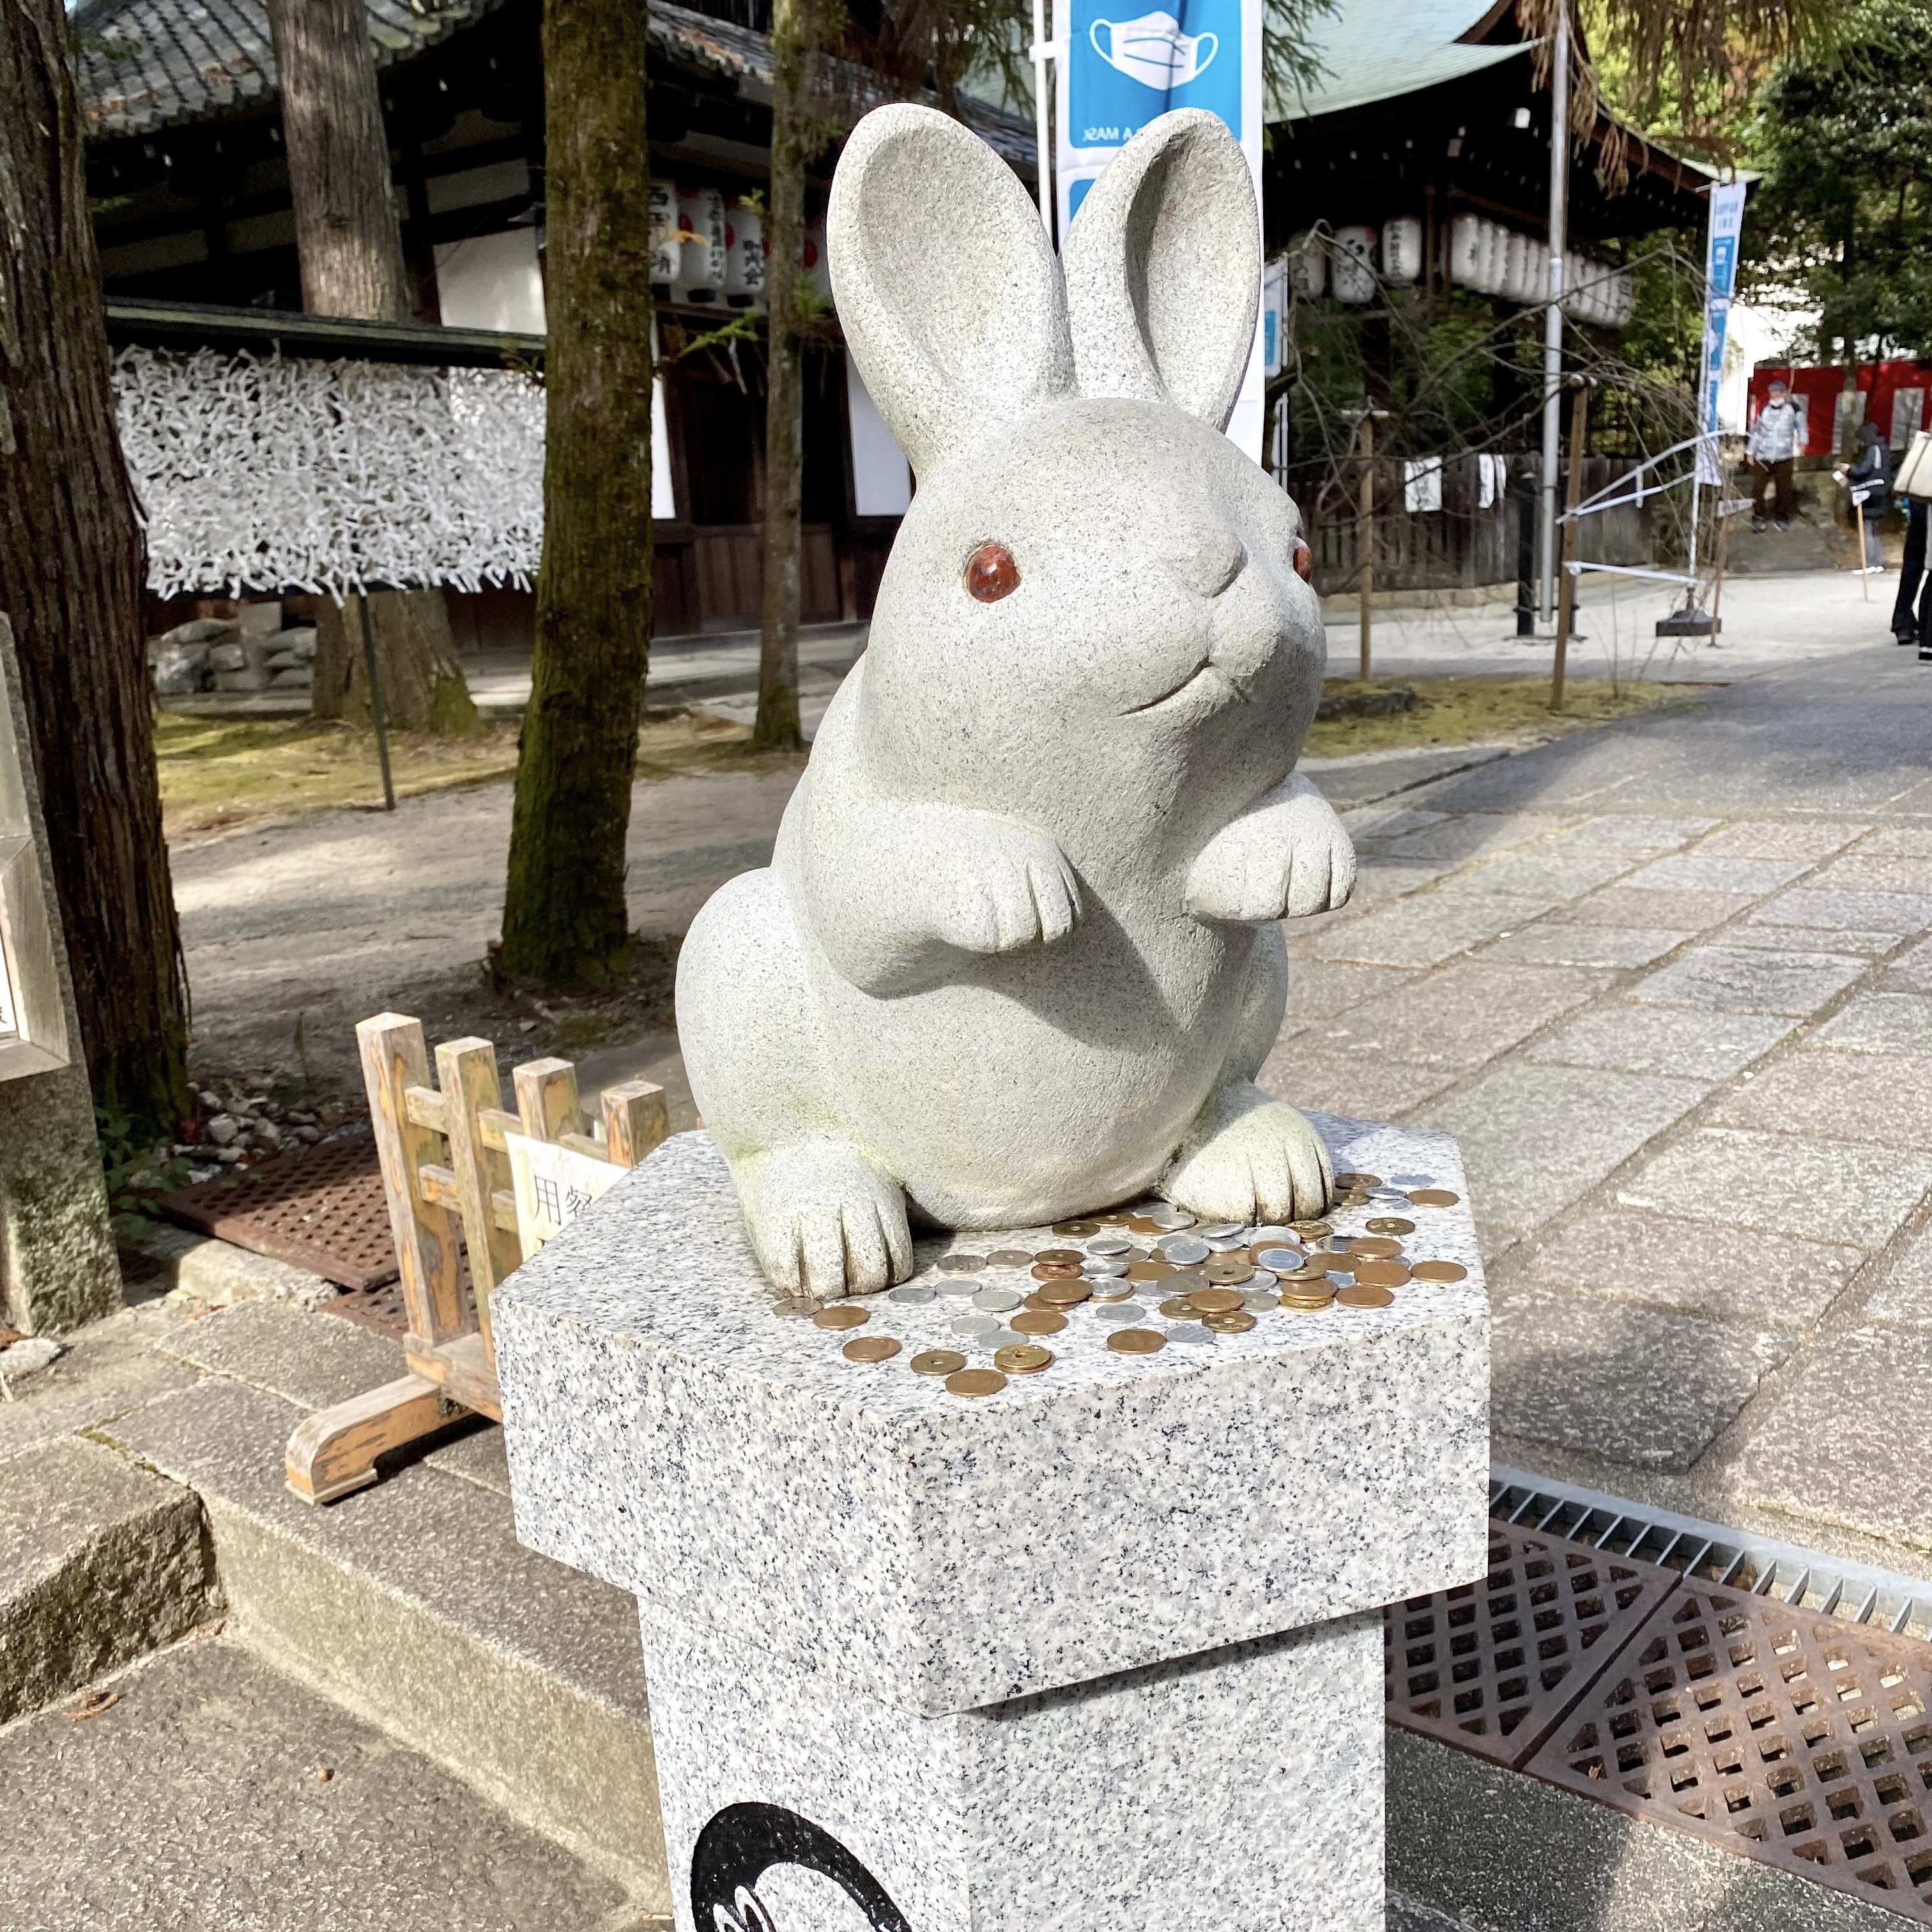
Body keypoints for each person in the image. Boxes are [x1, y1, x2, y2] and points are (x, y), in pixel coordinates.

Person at [1745, 378, 1802, 530]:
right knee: (1758, 488)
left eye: (1777, 392)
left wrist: (1803, 441)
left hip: (1785, 456)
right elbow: (1757, 432)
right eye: (1771, 392)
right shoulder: (1765, 409)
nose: (1774, 395)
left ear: (1784, 393)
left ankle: (1782, 517)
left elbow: (1802, 427)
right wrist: (1751, 451)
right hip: (1764, 456)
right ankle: (1758, 517)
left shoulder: (1793, 409)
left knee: (1784, 489)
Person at [1842, 420, 1890, 574]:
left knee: (1868, 529)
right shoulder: (1884, 449)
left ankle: (1869, 563)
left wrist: (1849, 470)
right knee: (1874, 529)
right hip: (1881, 491)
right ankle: (1877, 562)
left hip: (1871, 492)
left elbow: (1864, 470)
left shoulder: (1874, 449)